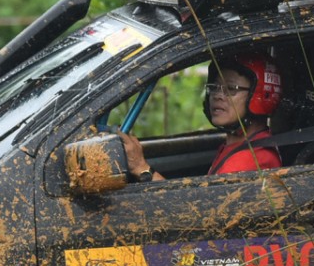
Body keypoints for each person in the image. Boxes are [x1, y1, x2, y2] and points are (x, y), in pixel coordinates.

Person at [122, 55, 285, 182]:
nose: (218, 96)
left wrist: (142, 168)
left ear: (260, 96)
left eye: (231, 88)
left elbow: (195, 215)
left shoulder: (249, 161)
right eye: (215, 87)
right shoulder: (242, 143)